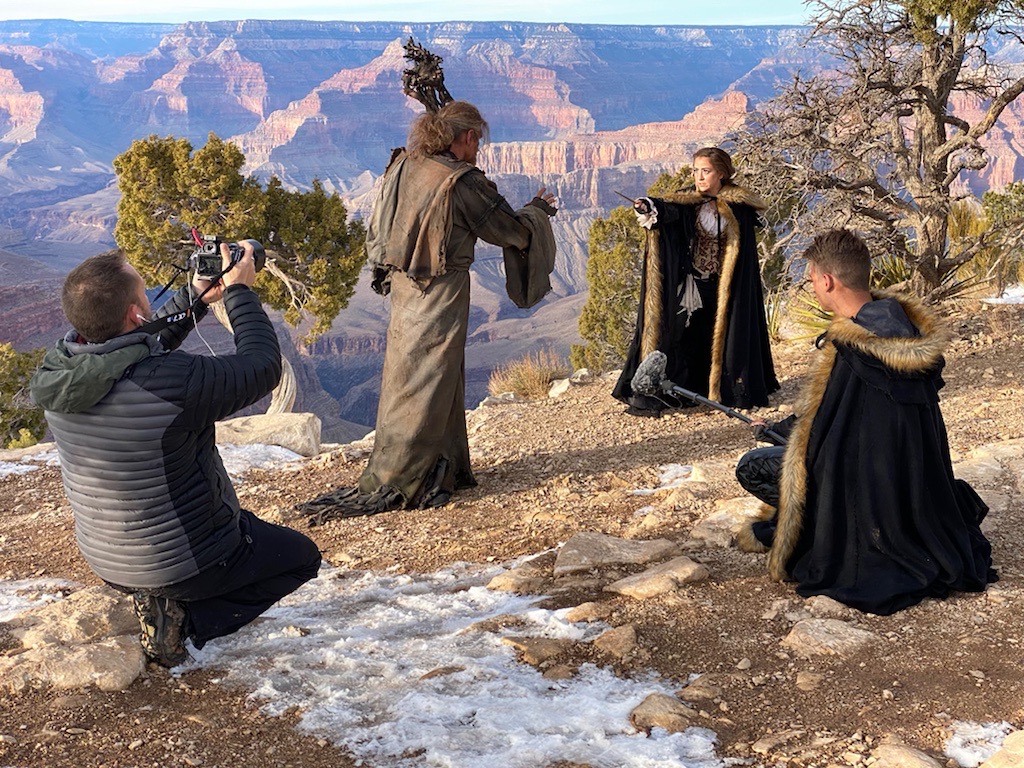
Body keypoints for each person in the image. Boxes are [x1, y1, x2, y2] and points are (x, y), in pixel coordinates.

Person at [29, 243, 322, 666]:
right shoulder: (173, 381)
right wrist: (240, 291)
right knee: (299, 558)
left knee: (245, 526)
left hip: (109, 561)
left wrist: (197, 297)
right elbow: (261, 368)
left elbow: (130, 350)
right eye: (146, 297)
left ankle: (162, 599)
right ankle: (187, 618)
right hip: (183, 566)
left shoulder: (58, 370)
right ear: (134, 314)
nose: (150, 304)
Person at [298, 100, 557, 521]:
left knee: (413, 372)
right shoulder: (462, 181)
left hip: (405, 287)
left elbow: (382, 226)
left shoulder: (407, 163)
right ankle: (405, 476)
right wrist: (538, 212)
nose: (479, 150)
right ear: (467, 137)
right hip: (442, 289)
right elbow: (509, 231)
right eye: (478, 141)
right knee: (428, 375)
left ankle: (443, 467)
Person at [735, 229, 996, 615]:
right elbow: (845, 421)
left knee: (752, 465)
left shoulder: (855, 345)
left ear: (827, 281)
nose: (814, 289)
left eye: (812, 281)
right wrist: (786, 427)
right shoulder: (903, 334)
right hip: (914, 487)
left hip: (859, 493)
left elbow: (831, 443)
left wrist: (789, 438)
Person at [613, 147, 779, 416]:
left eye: (706, 171)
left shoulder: (739, 207)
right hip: (696, 285)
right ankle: (681, 391)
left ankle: (730, 390)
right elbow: (669, 211)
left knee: (729, 336)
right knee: (685, 335)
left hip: (729, 286)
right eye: (695, 171)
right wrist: (649, 207)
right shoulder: (690, 204)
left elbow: (745, 248)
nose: (699, 177)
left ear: (722, 173)